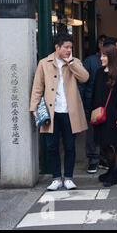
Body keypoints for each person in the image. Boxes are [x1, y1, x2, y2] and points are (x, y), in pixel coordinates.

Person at [30, 33, 89, 191]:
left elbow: (84, 77)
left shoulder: (75, 61)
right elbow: (37, 87)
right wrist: (34, 107)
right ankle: (56, 178)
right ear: (57, 47)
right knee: (51, 146)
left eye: (71, 47)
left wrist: (71, 63)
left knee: (70, 146)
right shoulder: (44, 63)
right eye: (66, 47)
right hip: (52, 112)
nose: (69, 50)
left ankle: (68, 177)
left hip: (70, 111)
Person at [91, 43, 117, 187]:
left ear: (111, 57)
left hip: (116, 116)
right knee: (104, 144)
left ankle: (114, 174)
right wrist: (93, 113)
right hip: (101, 116)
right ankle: (112, 171)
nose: (101, 58)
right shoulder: (99, 72)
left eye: (104, 56)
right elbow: (95, 94)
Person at [78, 35, 110, 174]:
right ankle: (93, 159)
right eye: (101, 42)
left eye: (105, 43)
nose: (102, 45)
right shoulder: (90, 61)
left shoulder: (113, 62)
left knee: (105, 131)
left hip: (107, 102)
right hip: (91, 102)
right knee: (91, 132)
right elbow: (82, 82)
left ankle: (103, 158)